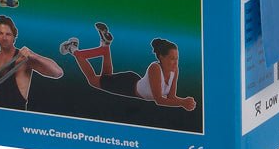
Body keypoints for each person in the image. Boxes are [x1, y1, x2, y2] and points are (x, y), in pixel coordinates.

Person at [59, 23, 196, 111]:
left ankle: (104, 45)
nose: (175, 62)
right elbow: (159, 100)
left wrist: (184, 100)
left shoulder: (175, 71)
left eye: (177, 59)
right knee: (93, 81)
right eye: (172, 59)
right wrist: (182, 103)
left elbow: (171, 96)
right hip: (127, 86)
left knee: (106, 77)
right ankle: (73, 49)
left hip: (132, 82)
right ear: (161, 57)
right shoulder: (155, 68)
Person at [0, 15, 63, 110]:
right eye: (0, 33)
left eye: (8, 34)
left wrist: (33, 54)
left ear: (14, 37)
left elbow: (58, 72)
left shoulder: (24, 59)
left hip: (18, 115)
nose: (4, 38)